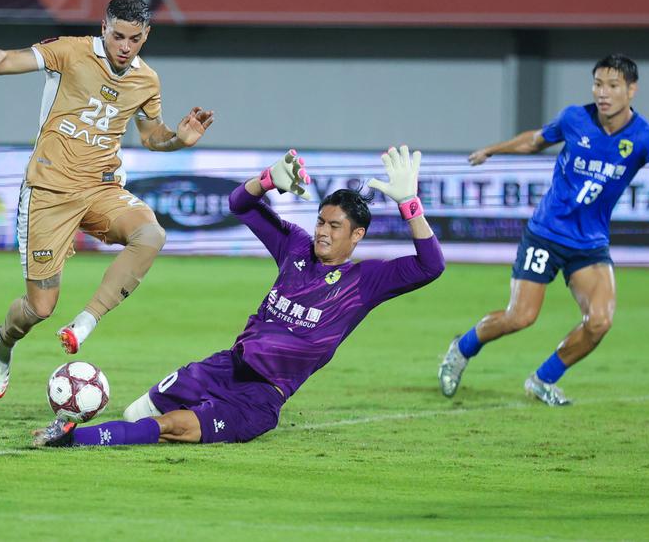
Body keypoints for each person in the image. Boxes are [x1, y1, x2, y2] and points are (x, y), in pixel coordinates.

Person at [33, 145, 445, 447]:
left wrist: (410, 204)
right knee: (135, 413)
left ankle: (71, 438)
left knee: (173, 428)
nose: (322, 231)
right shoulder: (296, 248)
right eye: (321, 221)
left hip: (261, 396)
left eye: (335, 227)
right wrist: (265, 180)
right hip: (224, 366)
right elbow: (240, 204)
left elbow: (431, 265)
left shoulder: (365, 280)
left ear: (357, 235)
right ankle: (82, 431)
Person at [0, 0, 216, 400]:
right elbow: (9, 60)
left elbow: (152, 136)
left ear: (145, 35)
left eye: (134, 39)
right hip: (49, 190)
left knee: (151, 235)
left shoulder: (146, 81)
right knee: (39, 309)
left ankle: (85, 322)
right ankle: (2, 342)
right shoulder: (69, 52)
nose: (124, 46)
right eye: (117, 35)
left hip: (101, 188)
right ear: (104, 27)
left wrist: (179, 140)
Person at [438, 54, 649, 406]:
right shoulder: (575, 117)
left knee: (600, 322)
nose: (603, 93)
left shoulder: (645, 136)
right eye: (598, 84)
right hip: (546, 233)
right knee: (520, 317)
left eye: (613, 86)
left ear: (631, 90)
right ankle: (462, 348)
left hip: (589, 245)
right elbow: (535, 140)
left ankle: (543, 380)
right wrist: (493, 150)